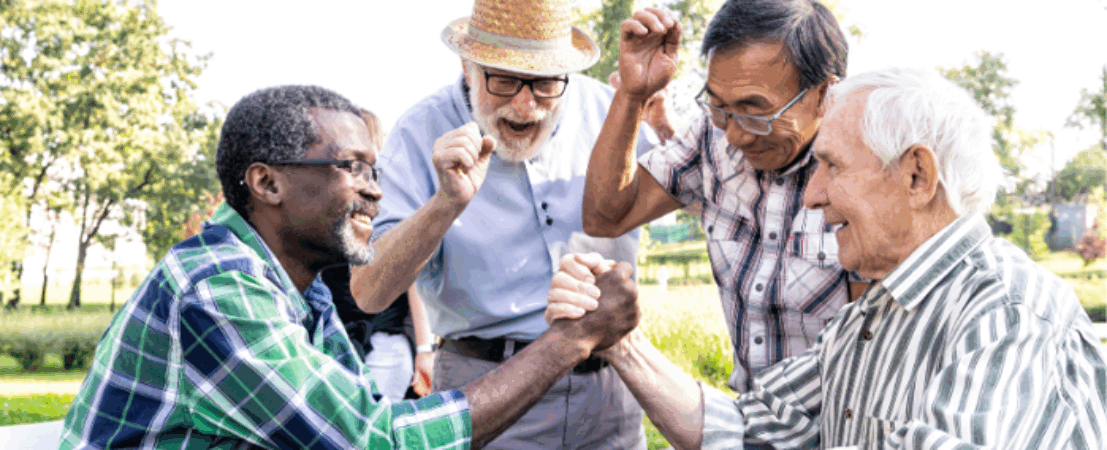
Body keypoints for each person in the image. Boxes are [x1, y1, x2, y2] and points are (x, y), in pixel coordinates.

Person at [58, 85, 641, 450]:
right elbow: (374, 442)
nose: (376, 193)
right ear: (267, 183)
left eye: (374, 171)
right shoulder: (216, 290)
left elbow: (360, 417)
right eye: (352, 168)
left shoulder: (302, 293)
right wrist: (572, 340)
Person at [552, 68, 1107, 449]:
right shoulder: (867, 319)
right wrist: (620, 341)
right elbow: (749, 430)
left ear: (917, 176)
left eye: (833, 167)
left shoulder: (1006, 314)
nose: (812, 196)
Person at [350, 0, 656, 447]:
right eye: (505, 81)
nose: (526, 105)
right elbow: (369, 292)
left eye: (546, 82)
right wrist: (444, 204)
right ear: (467, 65)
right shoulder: (419, 130)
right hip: (487, 388)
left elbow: (695, 195)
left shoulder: (613, 110)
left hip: (609, 390)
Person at [581, 0, 866, 394]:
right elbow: (606, 217)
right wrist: (632, 94)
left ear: (825, 94)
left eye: (756, 113)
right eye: (719, 107)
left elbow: (873, 352)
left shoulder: (868, 173)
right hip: (748, 414)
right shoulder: (709, 136)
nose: (735, 135)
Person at [322, 109, 435, 400]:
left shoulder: (388, 201)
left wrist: (425, 348)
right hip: (334, 338)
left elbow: (414, 277)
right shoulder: (330, 199)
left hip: (383, 339)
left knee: (373, 423)